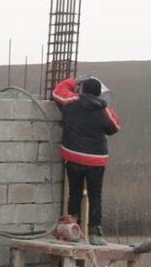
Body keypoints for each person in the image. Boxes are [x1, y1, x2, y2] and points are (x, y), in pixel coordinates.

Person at [51, 76, 122, 244]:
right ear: (99, 93)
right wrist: (106, 107)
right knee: (95, 195)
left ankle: (72, 228)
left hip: (74, 155)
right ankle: (95, 233)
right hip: (96, 160)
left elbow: (57, 91)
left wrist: (74, 81)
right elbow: (115, 127)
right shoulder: (103, 109)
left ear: (81, 90)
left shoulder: (70, 101)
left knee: (74, 193)